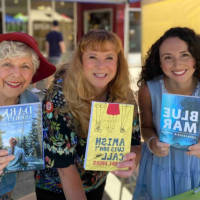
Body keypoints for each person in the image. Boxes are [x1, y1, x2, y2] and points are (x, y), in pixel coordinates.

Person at [35, 30, 141, 200]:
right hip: (55, 186)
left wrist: (131, 160)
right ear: (81, 61)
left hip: (96, 182)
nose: (101, 65)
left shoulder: (123, 94)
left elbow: (134, 140)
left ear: (118, 62)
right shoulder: (59, 95)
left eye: (109, 57)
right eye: (93, 57)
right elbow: (64, 167)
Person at [133, 27, 200, 200]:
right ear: (160, 62)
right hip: (159, 167)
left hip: (196, 169)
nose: (177, 64)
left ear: (196, 57)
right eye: (168, 57)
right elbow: (146, 126)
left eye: (184, 54)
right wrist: (152, 142)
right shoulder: (149, 89)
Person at [0, 32, 56, 200]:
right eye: (7, 64)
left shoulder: (31, 102)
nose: (16, 74)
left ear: (33, 73)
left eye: (25, 66)